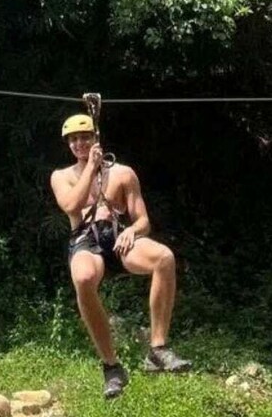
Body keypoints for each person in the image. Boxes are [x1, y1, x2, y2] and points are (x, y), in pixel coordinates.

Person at [50, 114, 191, 398]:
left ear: (96, 138)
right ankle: (111, 367)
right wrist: (91, 168)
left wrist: (132, 231)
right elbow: (72, 205)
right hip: (85, 239)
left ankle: (158, 348)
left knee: (164, 257)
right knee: (83, 277)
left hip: (116, 235)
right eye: (74, 139)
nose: (79, 143)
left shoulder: (123, 174)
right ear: (68, 144)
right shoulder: (61, 176)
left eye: (85, 137)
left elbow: (143, 221)